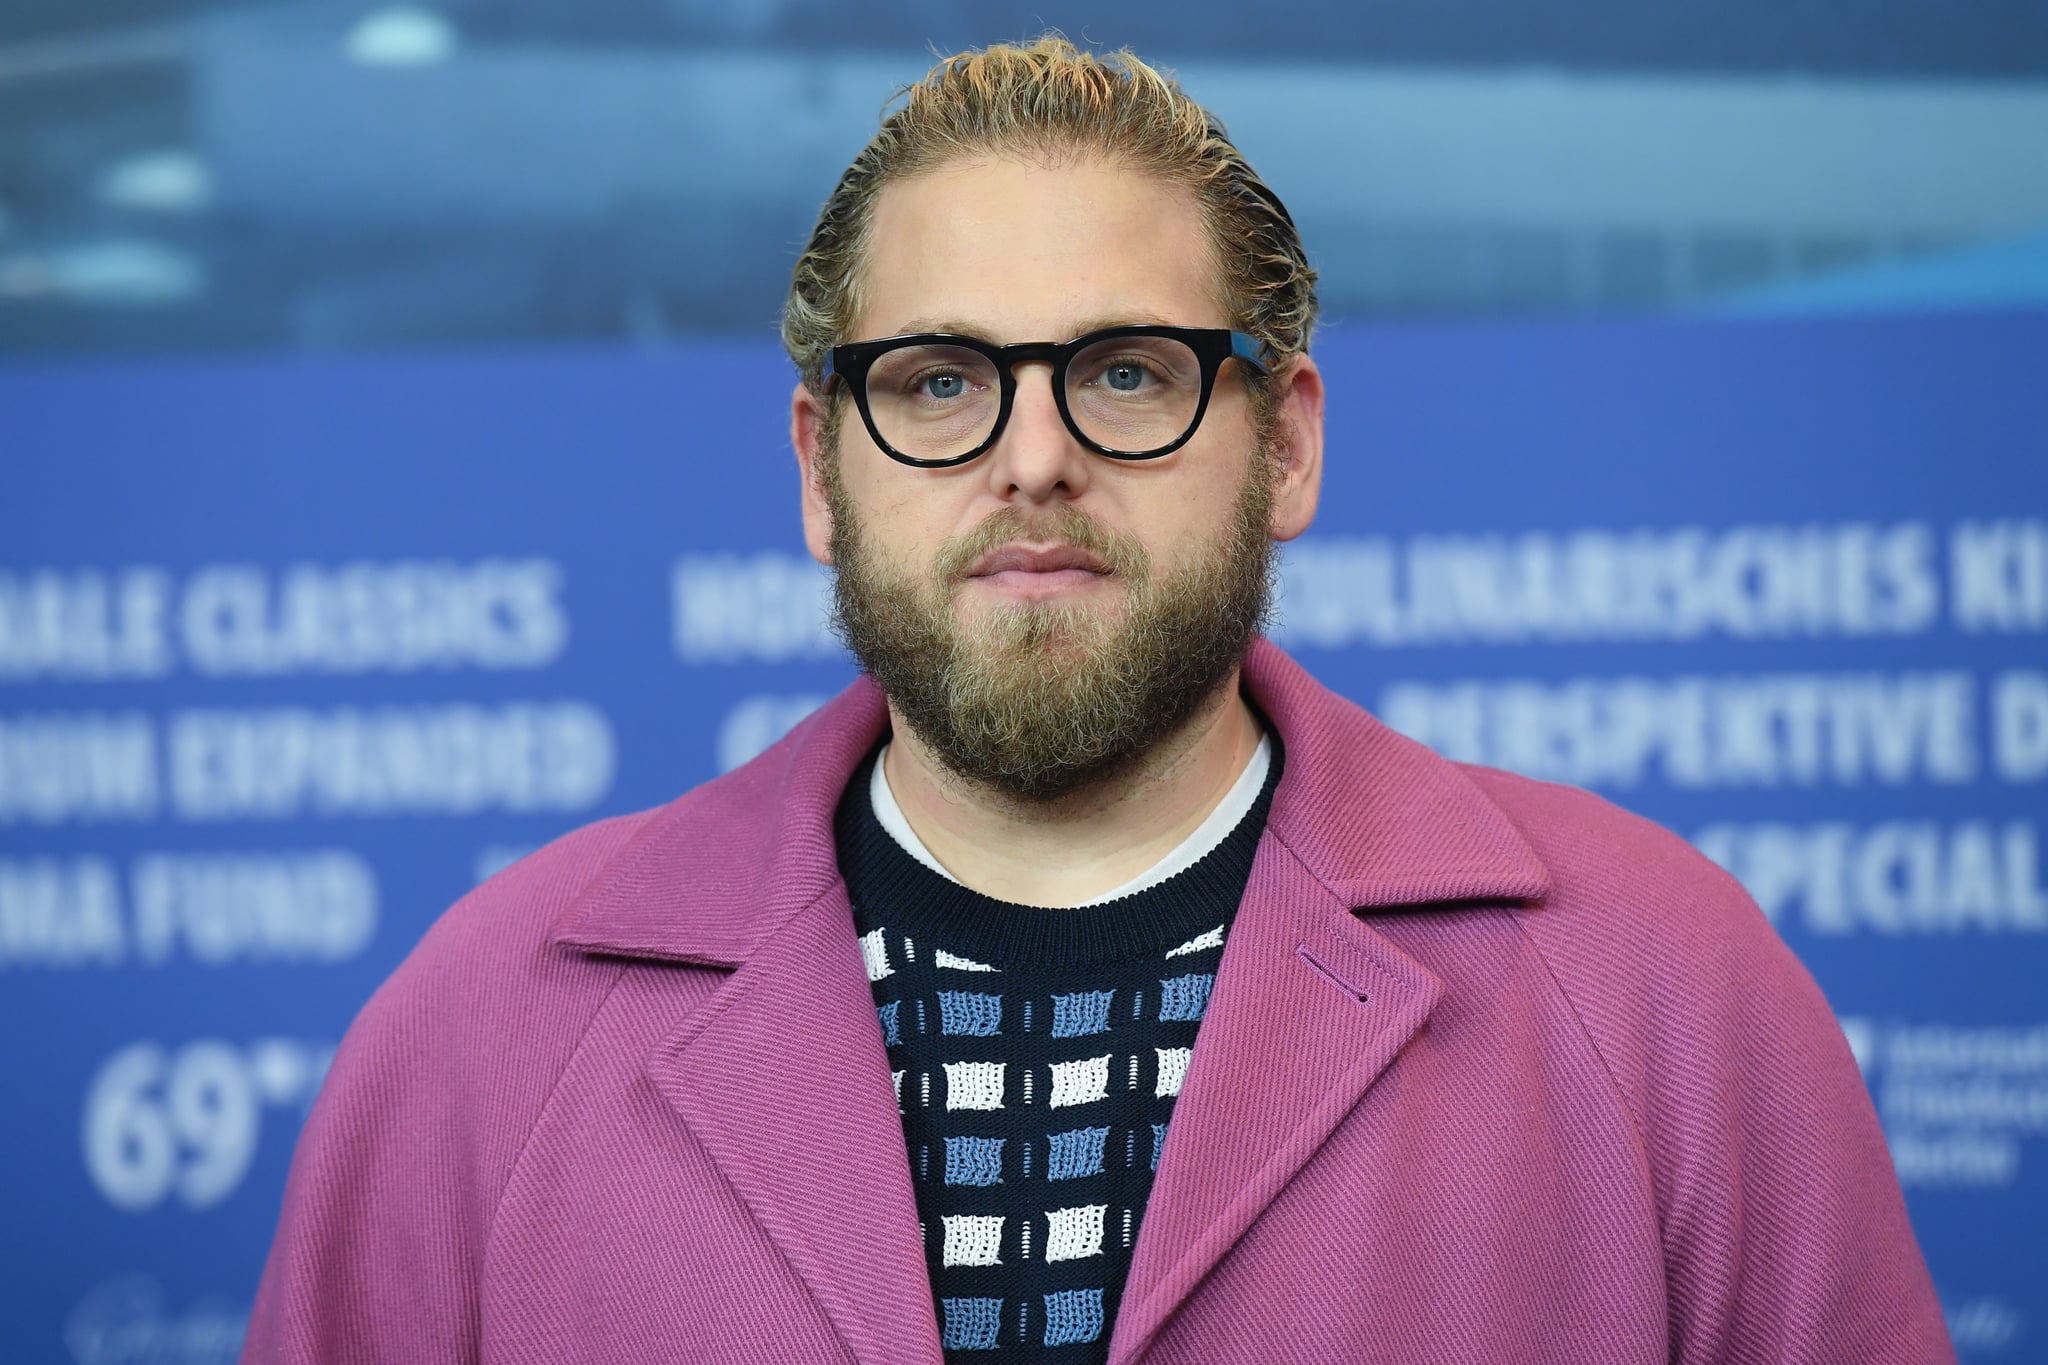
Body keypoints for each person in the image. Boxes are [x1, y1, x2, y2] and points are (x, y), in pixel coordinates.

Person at [243, 37, 1953, 1365]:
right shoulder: (485, 1032)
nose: (1035, 455)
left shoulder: (1665, 991)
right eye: (938, 382)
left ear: (1284, 444)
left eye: (1127, 372)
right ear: (821, 473)